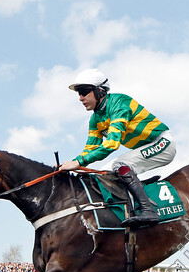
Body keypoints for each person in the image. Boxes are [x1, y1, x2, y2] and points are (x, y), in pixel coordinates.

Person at [59, 68, 176, 228]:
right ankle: (128, 208)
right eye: (78, 93)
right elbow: (90, 149)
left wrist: (79, 162)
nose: (80, 98)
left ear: (100, 91)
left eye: (84, 92)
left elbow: (112, 144)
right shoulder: (95, 119)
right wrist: (71, 165)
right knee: (103, 173)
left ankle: (148, 210)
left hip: (162, 143)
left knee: (119, 165)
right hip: (145, 148)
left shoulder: (119, 103)